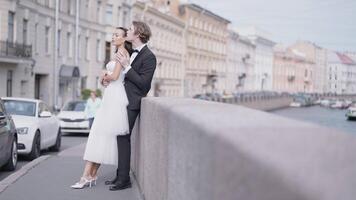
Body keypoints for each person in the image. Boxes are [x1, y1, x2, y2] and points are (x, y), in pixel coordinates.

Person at [70, 27, 132, 189]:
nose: (113, 37)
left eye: (117, 35)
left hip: (115, 97)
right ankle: (90, 175)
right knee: (102, 136)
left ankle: (87, 176)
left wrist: (103, 76)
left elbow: (116, 76)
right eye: (113, 35)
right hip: (111, 94)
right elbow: (112, 78)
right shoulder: (119, 53)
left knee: (99, 134)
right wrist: (104, 80)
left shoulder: (122, 53)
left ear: (124, 39)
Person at [102, 21, 157, 191]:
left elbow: (144, 85)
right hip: (122, 100)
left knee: (123, 138)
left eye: (131, 30)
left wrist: (127, 66)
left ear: (138, 34)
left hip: (132, 103)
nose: (128, 31)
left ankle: (124, 180)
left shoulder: (149, 56)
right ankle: (120, 175)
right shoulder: (132, 52)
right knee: (120, 138)